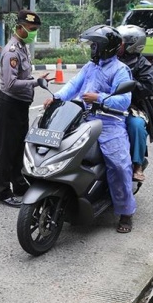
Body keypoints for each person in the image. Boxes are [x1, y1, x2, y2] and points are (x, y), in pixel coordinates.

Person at [43, 25, 137, 233]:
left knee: (119, 165)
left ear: (106, 47)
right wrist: (56, 98)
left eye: (95, 45)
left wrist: (100, 98)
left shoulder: (120, 69)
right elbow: (73, 85)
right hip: (83, 118)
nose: (93, 48)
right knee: (61, 148)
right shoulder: (90, 67)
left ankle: (125, 212)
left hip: (110, 122)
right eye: (92, 45)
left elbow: (124, 100)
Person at [0, 9, 49, 208]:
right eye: (32, 29)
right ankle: (3, 191)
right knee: (6, 151)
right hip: (9, 105)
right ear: (20, 27)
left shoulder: (23, 47)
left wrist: (34, 82)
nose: (34, 32)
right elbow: (10, 84)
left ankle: (18, 184)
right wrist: (35, 83)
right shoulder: (11, 51)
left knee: (19, 148)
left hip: (20, 106)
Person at [116, 25, 153, 182]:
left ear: (131, 44)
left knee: (136, 126)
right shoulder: (109, 58)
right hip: (105, 104)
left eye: (120, 41)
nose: (116, 44)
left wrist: (130, 84)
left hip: (131, 107)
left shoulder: (142, 64)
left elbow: (150, 87)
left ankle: (137, 165)